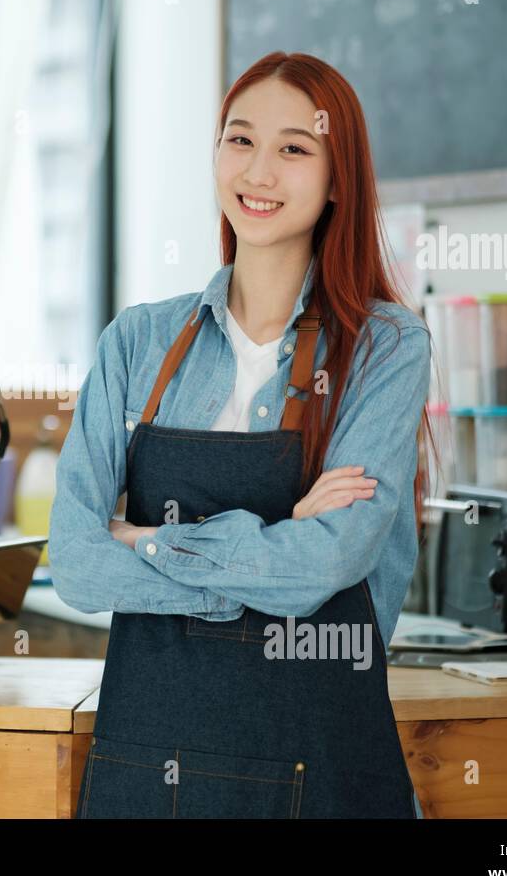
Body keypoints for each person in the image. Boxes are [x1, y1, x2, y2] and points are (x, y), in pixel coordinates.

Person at [49, 51, 435, 818]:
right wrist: (278, 537)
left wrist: (145, 541)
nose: (259, 172)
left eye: (294, 149)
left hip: (320, 759)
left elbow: (331, 560)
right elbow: (77, 564)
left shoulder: (386, 347)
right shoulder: (137, 343)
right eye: (239, 140)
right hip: (147, 765)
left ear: (337, 179)